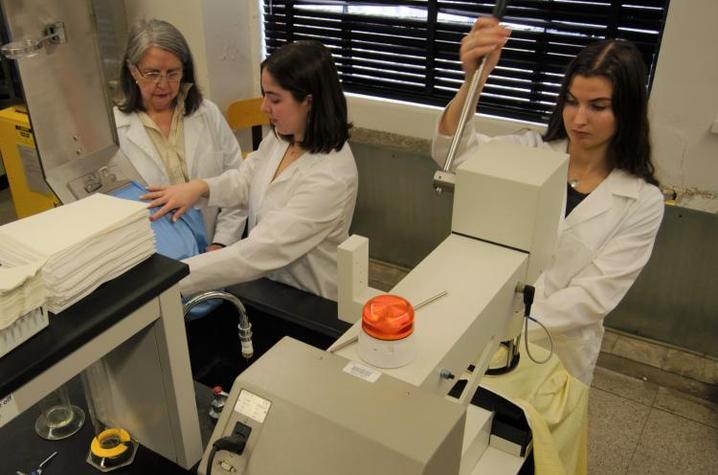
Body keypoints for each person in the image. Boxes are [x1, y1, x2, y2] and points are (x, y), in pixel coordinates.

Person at [433, 17, 664, 385]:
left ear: (628, 111)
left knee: (533, 438)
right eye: (572, 102)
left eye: (598, 107)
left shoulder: (641, 200)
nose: (579, 119)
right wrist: (473, 80)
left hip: (558, 353)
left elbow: (592, 297)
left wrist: (504, 322)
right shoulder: (532, 151)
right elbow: (454, 154)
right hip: (488, 335)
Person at [143, 40, 358, 301]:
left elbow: (259, 252)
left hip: (310, 300)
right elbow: (247, 180)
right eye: (264, 94)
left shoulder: (330, 176)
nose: (263, 107)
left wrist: (168, 279)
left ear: (309, 102)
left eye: (275, 98)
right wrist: (201, 188)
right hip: (271, 285)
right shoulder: (281, 139)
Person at [115, 18, 245, 251]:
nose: (163, 84)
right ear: (133, 70)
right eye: (152, 73)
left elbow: (237, 184)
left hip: (216, 250)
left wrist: (221, 242)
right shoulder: (115, 129)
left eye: (172, 73)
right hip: (156, 257)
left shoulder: (207, 113)